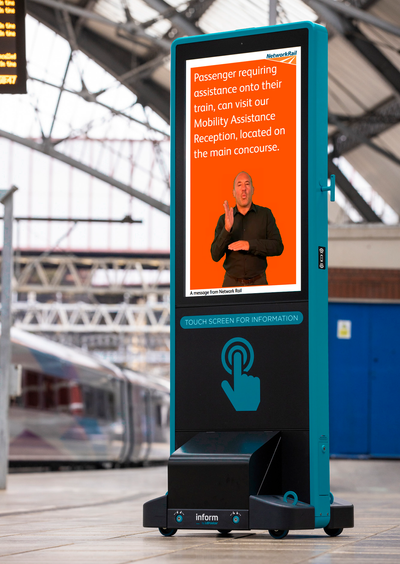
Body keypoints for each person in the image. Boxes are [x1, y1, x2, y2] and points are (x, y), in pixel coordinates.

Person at [211, 171, 283, 287]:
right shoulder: (223, 220)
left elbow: (278, 247)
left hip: (259, 283)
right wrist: (227, 229)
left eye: (247, 184)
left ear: (253, 190)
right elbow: (215, 255)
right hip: (231, 284)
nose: (243, 188)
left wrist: (250, 245)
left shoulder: (265, 214)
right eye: (239, 185)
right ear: (234, 193)